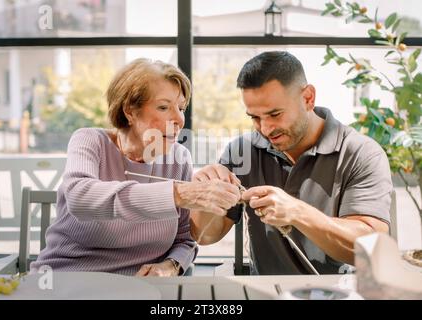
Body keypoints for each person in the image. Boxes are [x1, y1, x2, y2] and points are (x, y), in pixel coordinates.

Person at [31, 58, 240, 276]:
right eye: (163, 107)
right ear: (130, 111)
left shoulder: (179, 159)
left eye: (181, 107)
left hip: (143, 289)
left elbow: (184, 239)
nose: (179, 119)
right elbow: (80, 197)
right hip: (66, 281)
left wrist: (170, 266)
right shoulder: (90, 140)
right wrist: (178, 193)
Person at [190, 51, 392, 275]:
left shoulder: (361, 153)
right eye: (254, 117)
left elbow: (372, 247)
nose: (265, 129)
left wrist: (297, 212)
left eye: (275, 114)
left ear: (308, 98)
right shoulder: (241, 151)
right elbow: (204, 236)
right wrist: (204, 199)